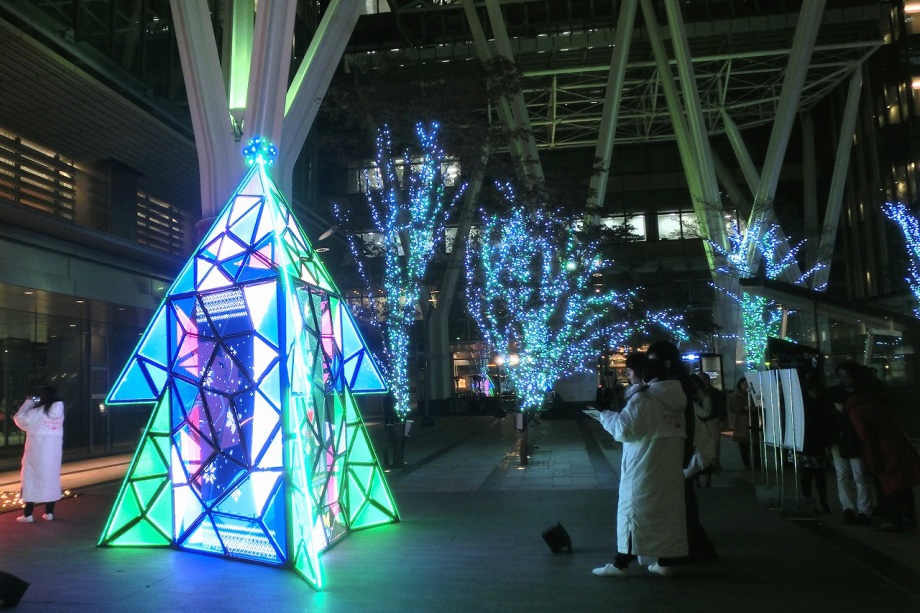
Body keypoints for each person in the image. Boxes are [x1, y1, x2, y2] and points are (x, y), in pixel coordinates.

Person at [592, 358, 687, 577]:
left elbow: (623, 430)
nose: (628, 374)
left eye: (630, 371)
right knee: (666, 515)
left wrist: (605, 415)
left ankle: (621, 564)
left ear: (643, 374)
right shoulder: (676, 398)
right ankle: (664, 561)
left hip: (643, 466)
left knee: (633, 513)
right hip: (669, 468)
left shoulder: (644, 398)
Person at [647, 340, 717, 562]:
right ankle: (694, 545)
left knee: (681, 499)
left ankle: (697, 546)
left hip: (678, 447)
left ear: (666, 362)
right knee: (684, 497)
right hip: (683, 446)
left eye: (653, 361)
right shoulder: (680, 382)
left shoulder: (670, 385)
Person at [846, 366, 920, 531]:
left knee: (891, 483)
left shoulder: (857, 408)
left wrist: (873, 461)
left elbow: (866, 437)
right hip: (898, 444)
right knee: (903, 482)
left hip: (885, 449)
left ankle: (894, 519)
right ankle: (908, 517)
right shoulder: (876, 400)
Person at [829, 361, 874, 525]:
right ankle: (854, 509)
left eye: (845, 376)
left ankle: (857, 509)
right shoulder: (860, 393)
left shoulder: (839, 393)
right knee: (851, 474)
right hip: (846, 438)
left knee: (853, 474)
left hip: (849, 438)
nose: (843, 379)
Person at [13, 386, 64, 522]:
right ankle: (49, 513)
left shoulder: (38, 411)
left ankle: (28, 514)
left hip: (37, 451)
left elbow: (19, 418)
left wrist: (29, 402)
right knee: (51, 478)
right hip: (54, 452)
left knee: (32, 479)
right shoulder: (60, 412)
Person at [728, 377, 761, 470]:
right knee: (744, 446)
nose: (745, 386)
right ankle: (747, 464)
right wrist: (742, 408)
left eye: (747, 384)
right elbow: (732, 407)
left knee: (756, 445)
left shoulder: (754, 394)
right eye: (743, 384)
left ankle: (757, 464)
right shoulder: (737, 395)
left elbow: (760, 404)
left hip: (754, 422)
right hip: (742, 423)